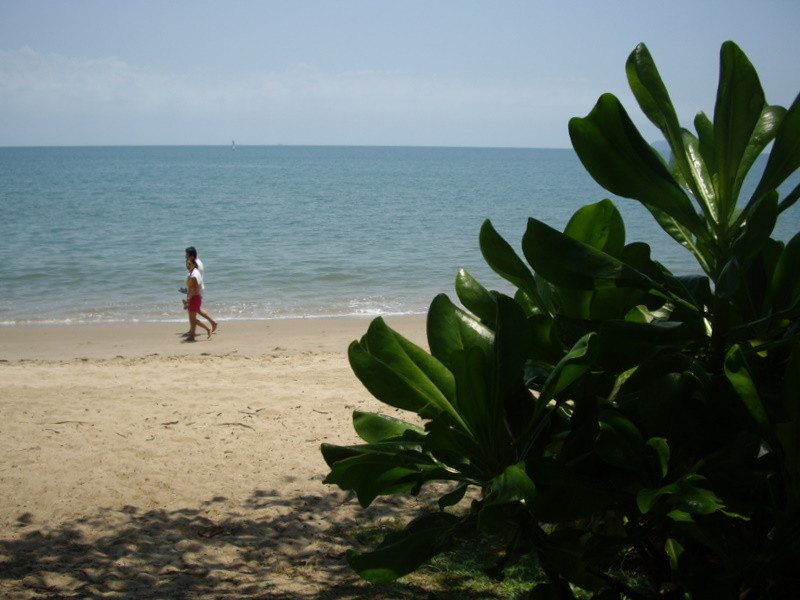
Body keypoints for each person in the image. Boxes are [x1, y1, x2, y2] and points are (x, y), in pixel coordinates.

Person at [184, 246, 218, 333]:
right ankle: (212, 323)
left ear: (191, 256)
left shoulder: (196, 265)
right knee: (197, 309)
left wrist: (189, 295)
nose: (185, 256)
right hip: (197, 289)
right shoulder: (196, 262)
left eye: (187, 255)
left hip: (196, 290)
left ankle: (193, 331)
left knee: (193, 310)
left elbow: (195, 282)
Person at [184, 257, 212, 341]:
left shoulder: (194, 275)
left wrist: (189, 299)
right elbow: (190, 287)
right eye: (187, 264)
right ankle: (192, 336)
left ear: (194, 264)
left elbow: (196, 288)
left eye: (189, 264)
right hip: (193, 298)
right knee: (192, 319)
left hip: (195, 298)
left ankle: (208, 329)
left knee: (193, 319)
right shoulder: (192, 273)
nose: (188, 265)